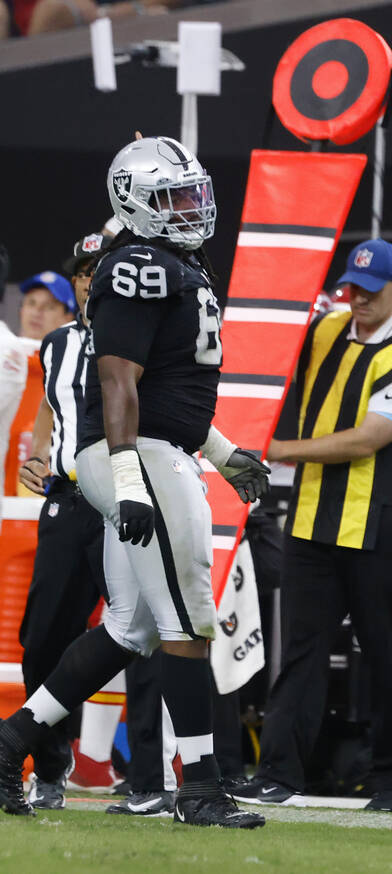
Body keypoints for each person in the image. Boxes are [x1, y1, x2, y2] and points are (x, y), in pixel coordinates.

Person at [0, 135, 270, 827]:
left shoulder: (176, 262)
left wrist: (227, 452)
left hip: (157, 444)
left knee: (130, 629)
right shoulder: (138, 265)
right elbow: (117, 380)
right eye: (171, 198)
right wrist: (124, 475)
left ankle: (7, 747)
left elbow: (171, 393)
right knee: (190, 620)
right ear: (134, 203)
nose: (188, 208)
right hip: (139, 454)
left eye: (191, 193)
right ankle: (201, 787)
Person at [234, 239, 392, 813]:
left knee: (386, 652)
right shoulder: (330, 326)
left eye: (371, 289)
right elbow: (274, 322)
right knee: (302, 652)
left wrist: (281, 449)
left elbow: (371, 437)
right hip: (314, 515)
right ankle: (278, 774)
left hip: (383, 520)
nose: (358, 299)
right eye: (352, 288)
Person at [13, 234, 110, 809]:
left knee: (141, 636)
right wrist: (37, 453)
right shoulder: (55, 345)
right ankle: (51, 767)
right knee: (42, 639)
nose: (89, 281)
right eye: (82, 273)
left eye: (100, 271)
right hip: (69, 499)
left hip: (124, 499)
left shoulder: (139, 336)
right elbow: (51, 405)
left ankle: (158, 776)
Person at [5, 271, 74, 497]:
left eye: (50, 306)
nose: (37, 312)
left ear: (68, 318)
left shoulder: (73, 373)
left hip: (44, 504)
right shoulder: (4, 363)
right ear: (21, 309)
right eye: (31, 303)